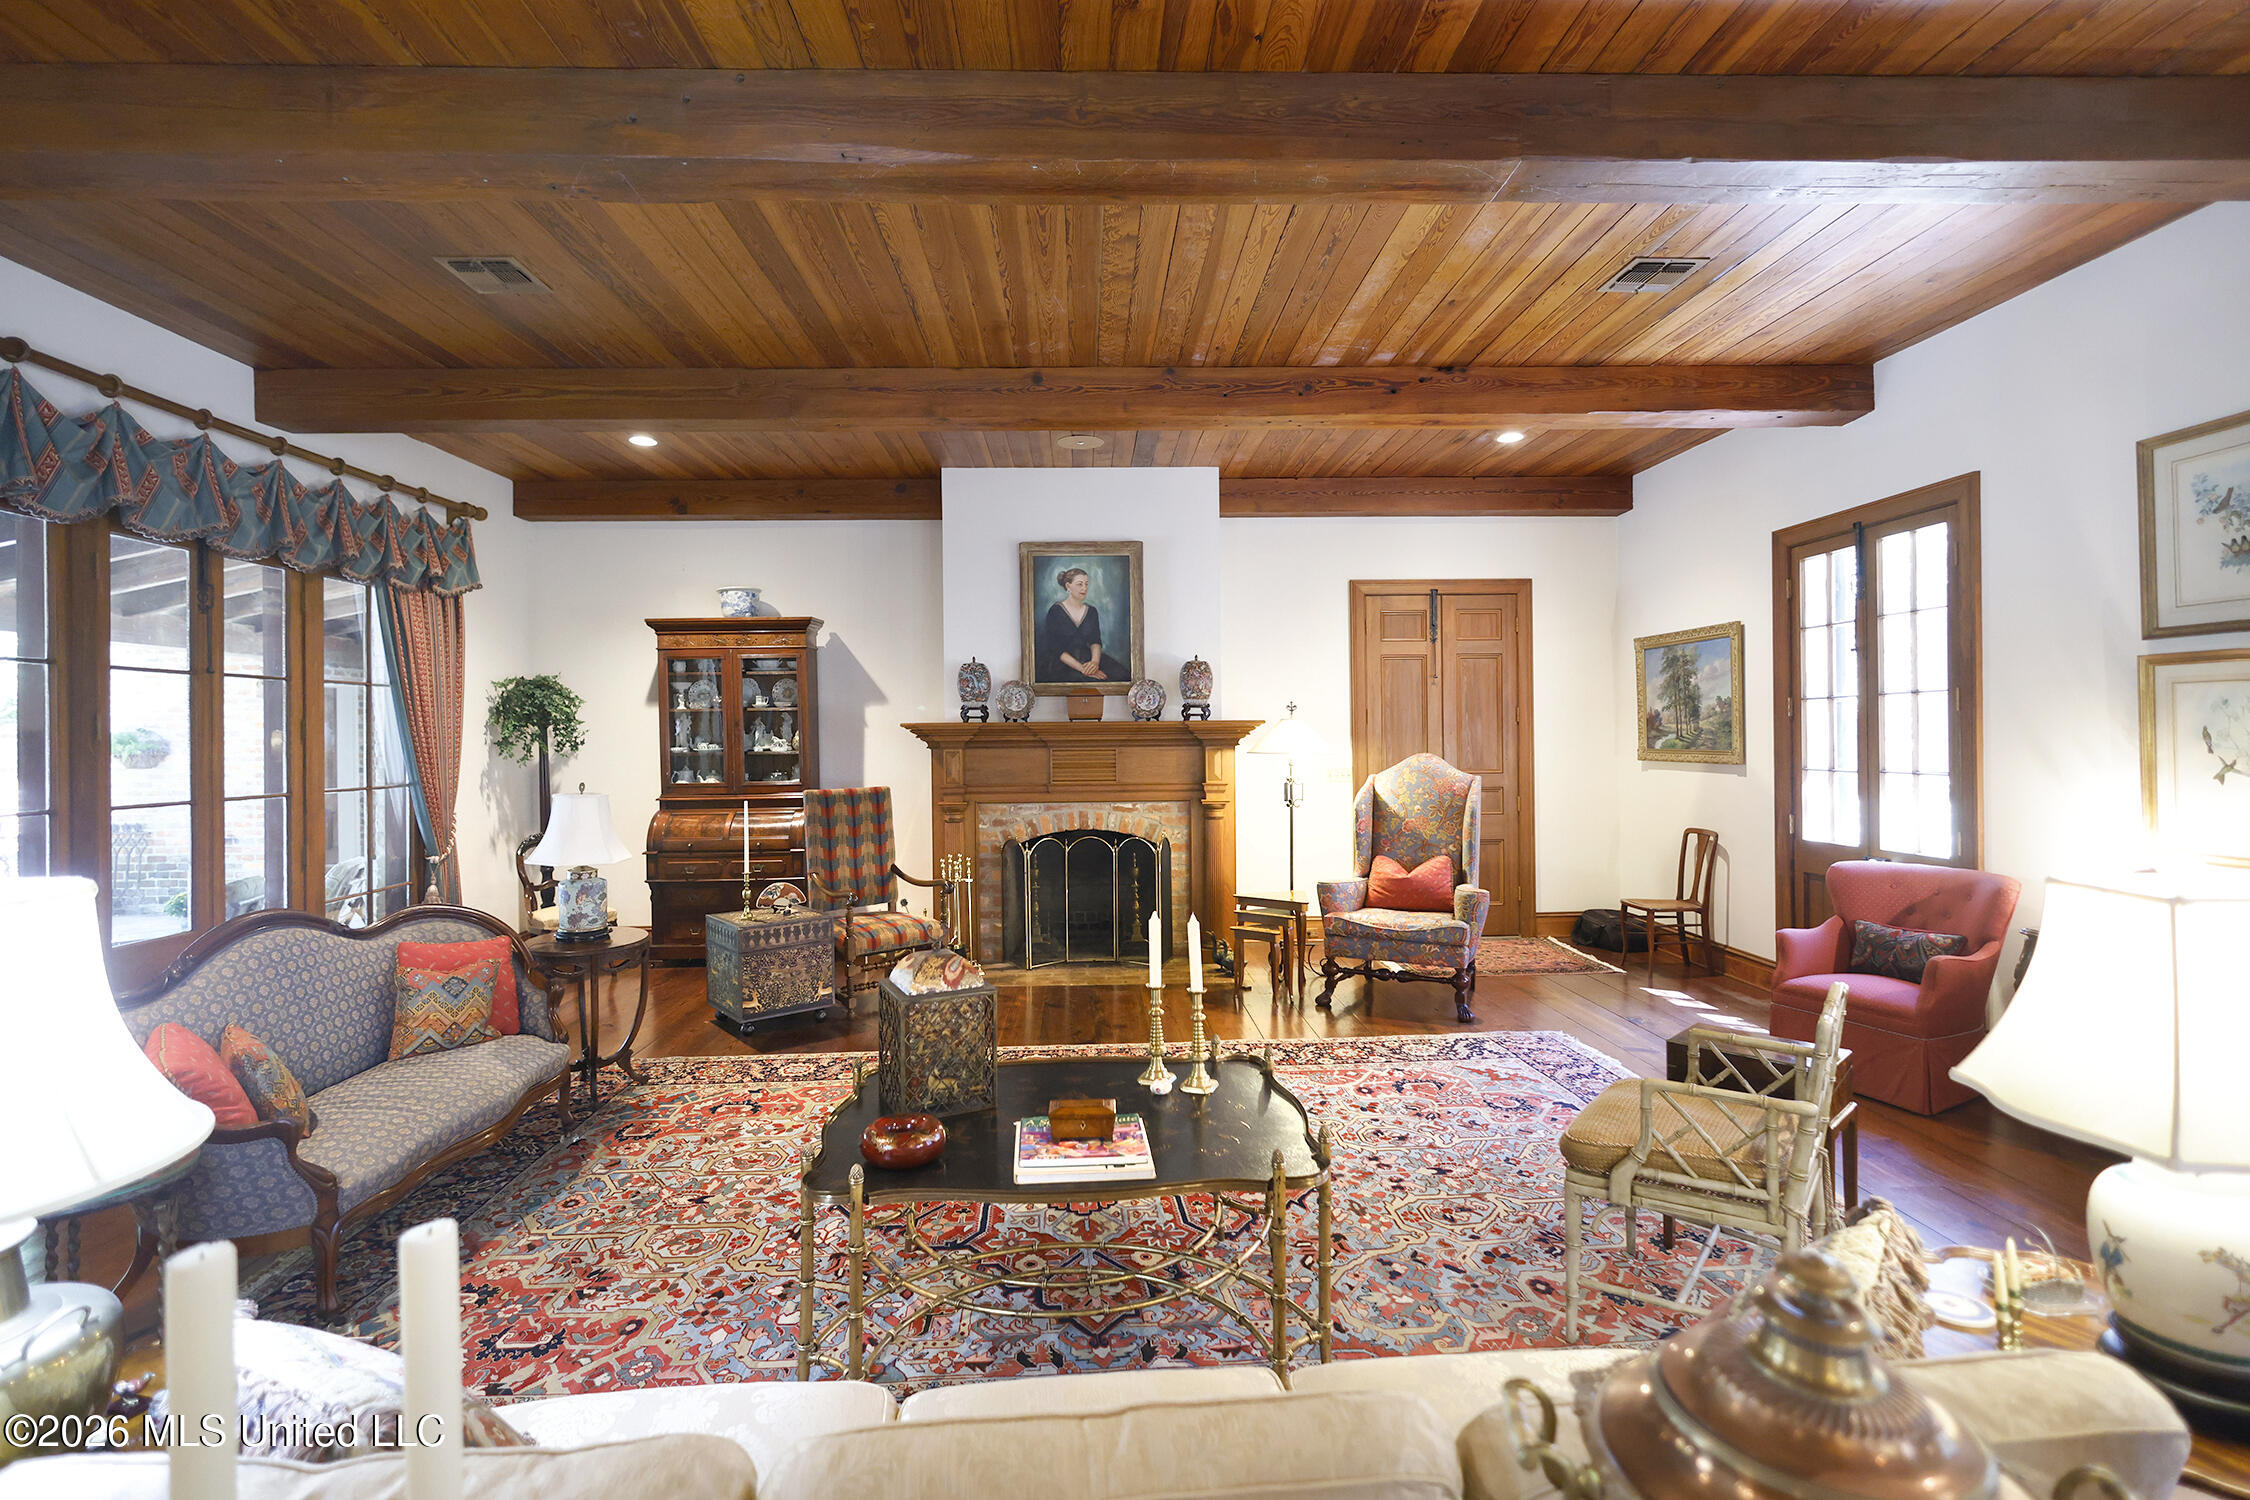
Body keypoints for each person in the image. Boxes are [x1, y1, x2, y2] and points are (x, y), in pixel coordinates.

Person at [1039, 566, 1112, 682]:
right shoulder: (1056, 611)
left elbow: (1095, 640)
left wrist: (1094, 663)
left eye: (1086, 584)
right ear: (1068, 586)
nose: (1084, 588)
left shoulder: (1092, 611)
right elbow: (1055, 648)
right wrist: (1082, 669)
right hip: (1063, 663)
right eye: (1080, 584)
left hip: (1088, 659)